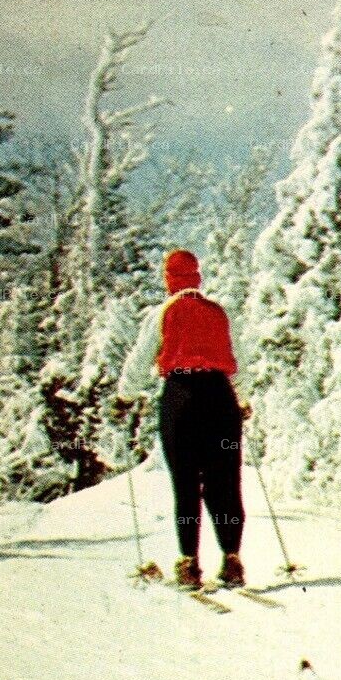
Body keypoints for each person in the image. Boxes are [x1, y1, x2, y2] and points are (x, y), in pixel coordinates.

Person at [119, 249, 249, 591]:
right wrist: (243, 397)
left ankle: (189, 563)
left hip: (182, 397)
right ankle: (232, 559)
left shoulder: (162, 312)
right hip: (221, 398)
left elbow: (139, 358)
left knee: (186, 481)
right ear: (197, 277)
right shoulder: (220, 312)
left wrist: (125, 395)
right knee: (225, 480)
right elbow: (241, 358)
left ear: (169, 280)